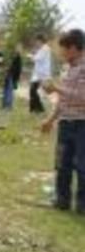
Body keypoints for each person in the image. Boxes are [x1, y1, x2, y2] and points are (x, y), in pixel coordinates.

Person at [40, 29, 85, 214]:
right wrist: (50, 120)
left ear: (74, 48)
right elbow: (64, 100)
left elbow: (82, 96)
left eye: (64, 50)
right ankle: (62, 200)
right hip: (66, 123)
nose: (62, 54)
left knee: (82, 165)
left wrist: (57, 88)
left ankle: (82, 205)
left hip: (82, 124)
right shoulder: (68, 69)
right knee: (62, 163)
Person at [29, 34, 53, 113]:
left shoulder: (45, 48)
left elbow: (37, 58)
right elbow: (37, 57)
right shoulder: (41, 49)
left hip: (42, 74)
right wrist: (34, 53)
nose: (36, 43)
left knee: (33, 91)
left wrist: (31, 56)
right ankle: (33, 109)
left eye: (37, 41)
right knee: (32, 91)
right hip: (38, 74)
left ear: (40, 40)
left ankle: (39, 109)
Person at [1, 45, 23, 110]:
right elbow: (11, 67)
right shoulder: (13, 57)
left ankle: (8, 106)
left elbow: (18, 69)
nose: (16, 50)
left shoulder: (18, 58)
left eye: (18, 49)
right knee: (6, 90)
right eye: (16, 49)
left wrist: (16, 78)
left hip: (12, 76)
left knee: (9, 91)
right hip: (9, 75)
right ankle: (5, 105)